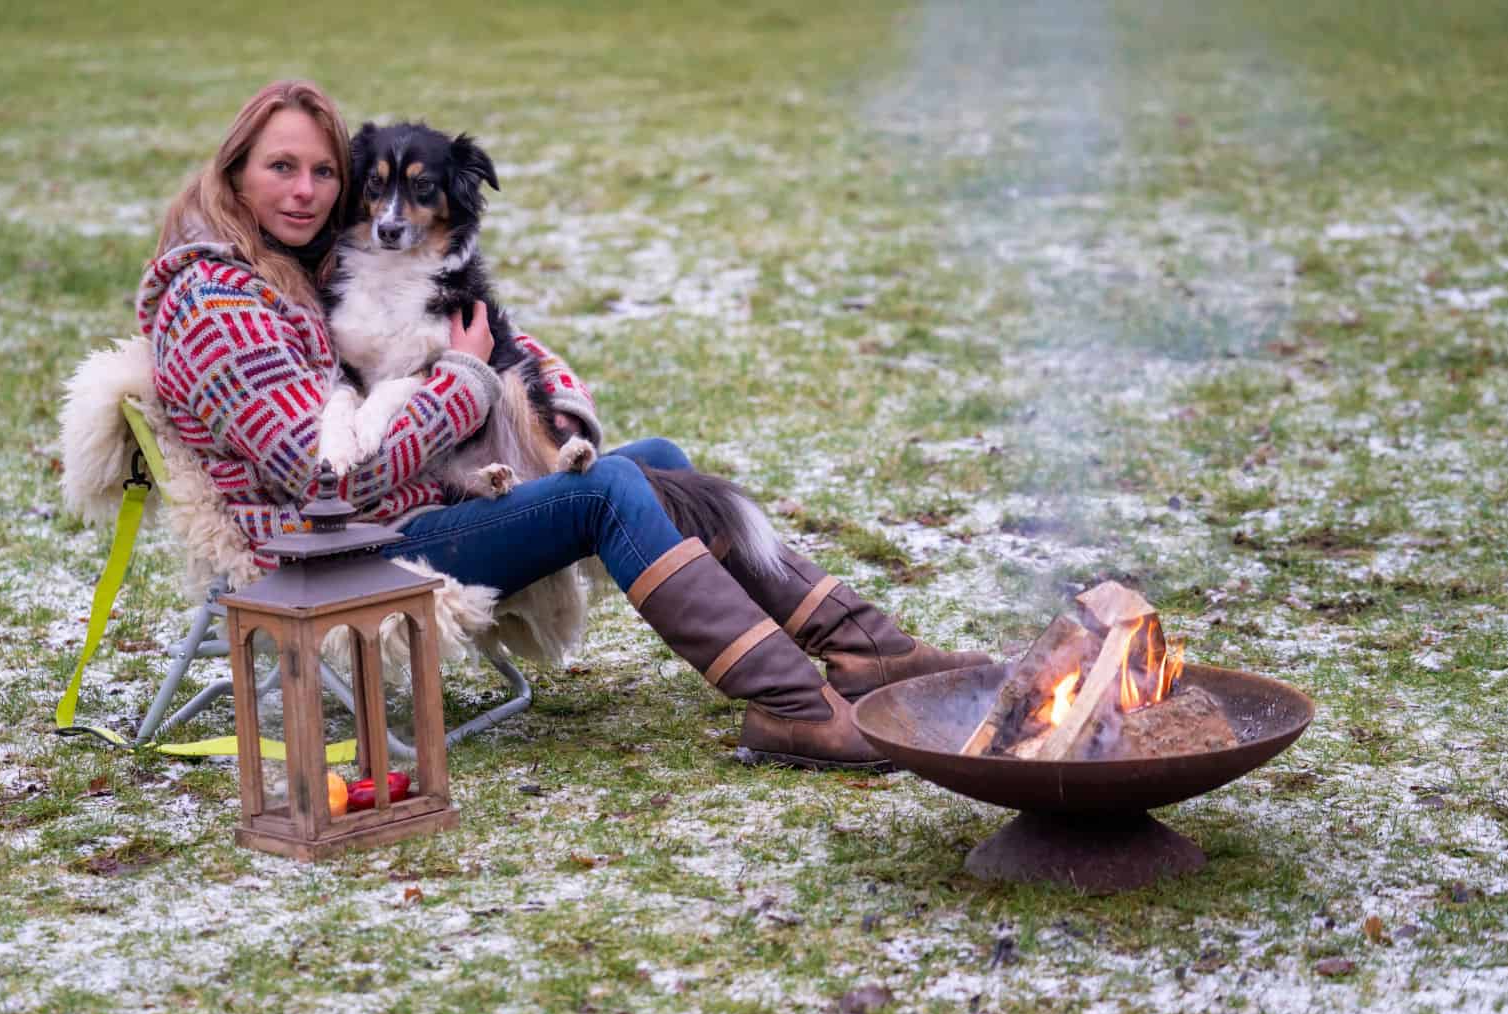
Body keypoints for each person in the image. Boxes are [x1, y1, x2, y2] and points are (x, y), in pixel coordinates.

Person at [138, 80, 988, 771]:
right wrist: (470, 382)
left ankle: (863, 645)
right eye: (281, 168)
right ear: (234, 172)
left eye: (325, 173)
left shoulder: (309, 263)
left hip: (417, 504)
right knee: (612, 487)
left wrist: (536, 397)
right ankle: (795, 709)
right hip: (350, 554)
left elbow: (497, 341)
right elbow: (332, 479)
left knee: (654, 462)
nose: (307, 190)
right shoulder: (220, 306)